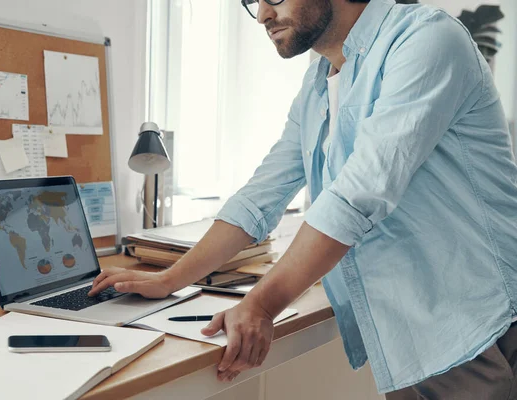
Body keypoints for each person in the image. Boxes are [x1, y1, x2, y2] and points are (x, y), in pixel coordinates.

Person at [89, 0, 517, 397]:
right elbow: (261, 195)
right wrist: (170, 279)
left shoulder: (426, 40)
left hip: (482, 325)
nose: (261, 15)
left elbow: (356, 196)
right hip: (410, 331)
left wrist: (260, 304)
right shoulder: (319, 82)